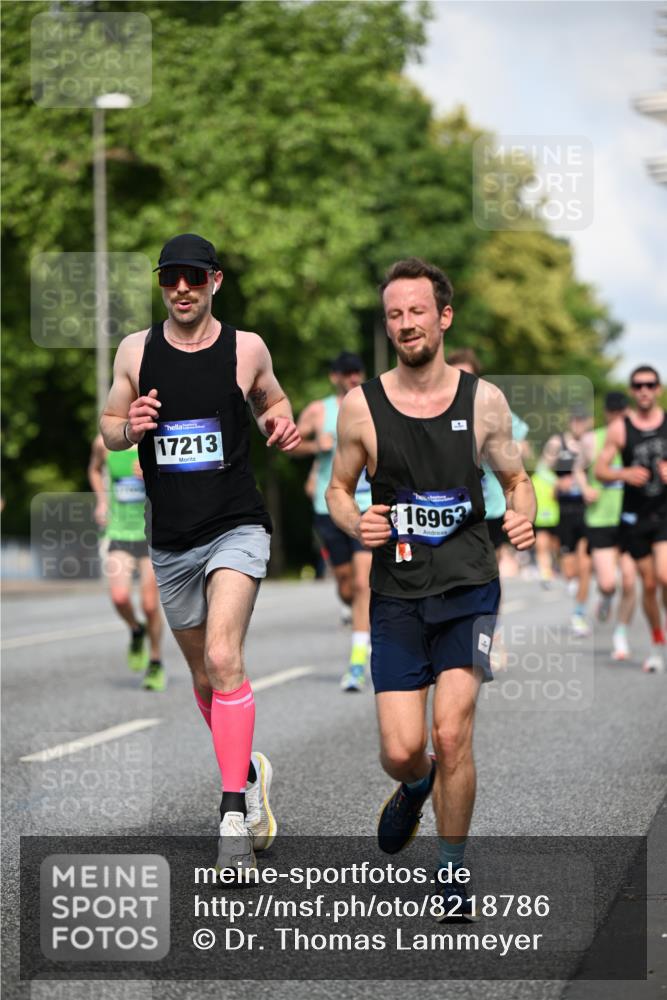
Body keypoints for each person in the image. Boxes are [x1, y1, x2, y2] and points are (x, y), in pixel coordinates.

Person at [326, 258, 535, 920]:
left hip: (468, 586)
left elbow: (516, 477)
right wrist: (351, 518)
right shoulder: (361, 407)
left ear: (442, 317)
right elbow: (337, 487)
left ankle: (450, 869)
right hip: (394, 593)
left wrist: (522, 508)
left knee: (450, 733)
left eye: (417, 310)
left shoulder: (486, 401)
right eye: (393, 314)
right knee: (400, 749)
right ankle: (413, 786)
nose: (405, 323)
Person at [100, 233, 300, 870]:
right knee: (200, 675)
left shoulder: (246, 349)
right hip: (173, 539)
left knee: (223, 655)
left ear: (215, 281)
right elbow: (107, 429)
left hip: (236, 525)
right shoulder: (136, 350)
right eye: (169, 279)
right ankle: (248, 770)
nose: (180, 289)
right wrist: (127, 427)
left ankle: (233, 812)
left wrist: (278, 422)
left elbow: (274, 398)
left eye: (192, 277)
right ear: (162, 285)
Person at [293, 351, 373, 691]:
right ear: (334, 377)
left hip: (367, 506)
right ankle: (356, 615)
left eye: (358, 372)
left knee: (361, 584)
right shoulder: (318, 411)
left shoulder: (374, 405)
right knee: (345, 585)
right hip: (330, 509)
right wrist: (315, 446)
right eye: (347, 373)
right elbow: (290, 444)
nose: (354, 378)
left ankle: (357, 662)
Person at [595, 366, 667, 673]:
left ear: (659, 389)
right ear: (632, 390)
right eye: (638, 385)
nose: (644, 390)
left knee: (664, 576)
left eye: (650, 384)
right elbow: (600, 470)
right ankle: (656, 642)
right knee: (648, 585)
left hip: (664, 513)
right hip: (635, 518)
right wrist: (623, 473)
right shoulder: (620, 429)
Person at [88, 434, 165, 690]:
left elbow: (182, 477)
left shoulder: (157, 439)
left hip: (152, 531)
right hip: (119, 531)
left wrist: (153, 474)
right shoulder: (104, 443)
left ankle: (155, 662)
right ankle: (136, 629)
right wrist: (102, 501)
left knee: (150, 604)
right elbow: (95, 471)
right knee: (120, 597)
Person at [577, 392, 637, 661]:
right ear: (608, 415)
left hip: (630, 519)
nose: (618, 420)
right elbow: (578, 468)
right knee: (608, 582)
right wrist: (585, 487)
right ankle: (605, 597)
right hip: (600, 519)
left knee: (629, 580)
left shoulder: (635, 439)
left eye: (623, 415)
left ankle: (621, 634)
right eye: (614, 415)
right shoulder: (593, 439)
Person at [540, 407, 594, 637]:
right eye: (575, 420)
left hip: (588, 510)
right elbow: (542, 469)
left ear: (589, 422)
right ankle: (572, 585)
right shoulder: (557, 442)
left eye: (582, 420)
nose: (578, 424)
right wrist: (556, 482)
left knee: (585, 566)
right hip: (563, 510)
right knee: (570, 569)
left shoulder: (592, 444)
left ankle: (579, 615)